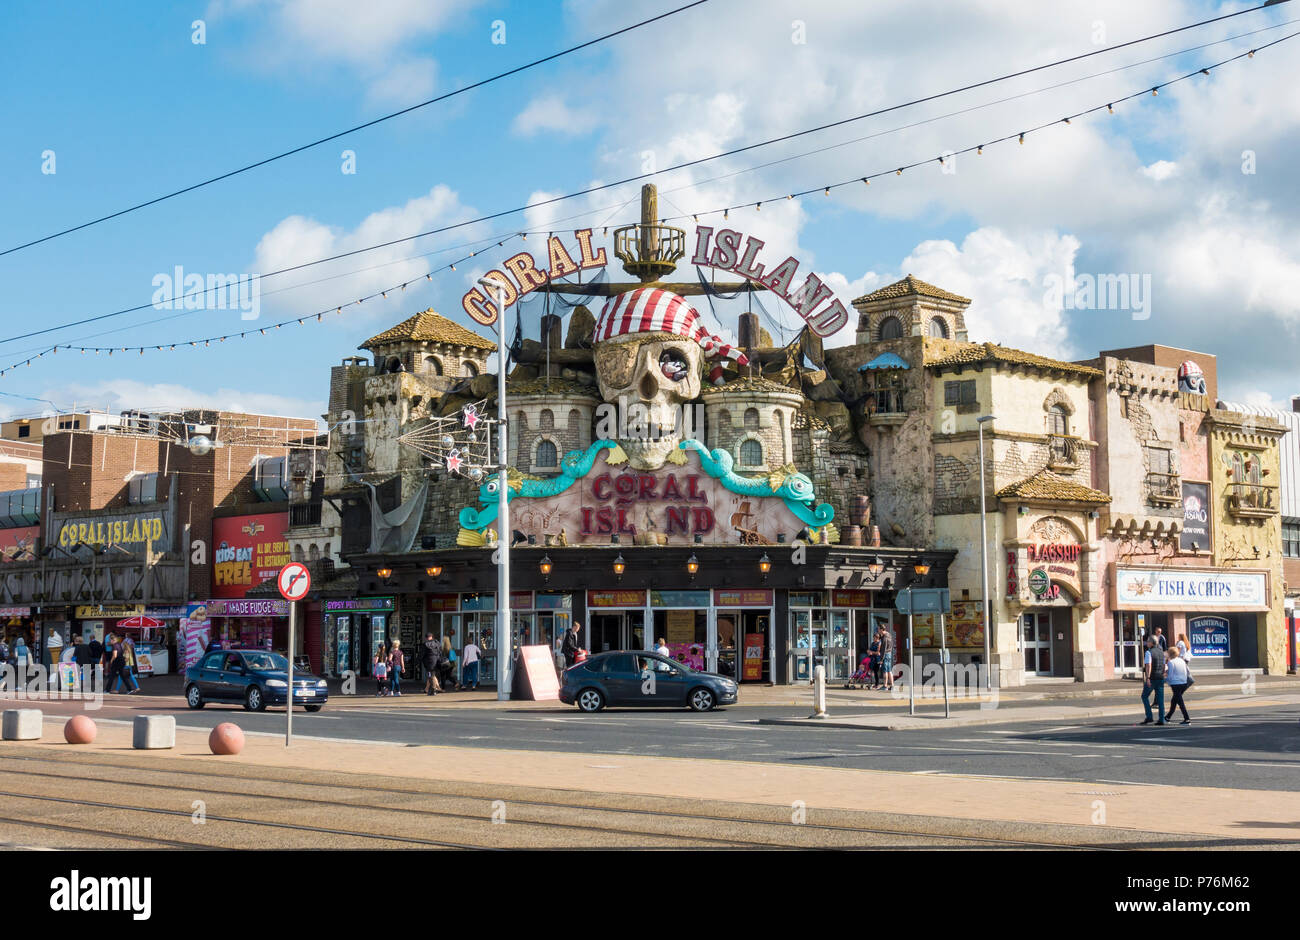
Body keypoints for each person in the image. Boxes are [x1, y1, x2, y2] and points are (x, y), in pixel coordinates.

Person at [1139, 635, 1167, 726]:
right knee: (1160, 699)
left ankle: (1149, 716)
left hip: (1152, 678)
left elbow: (1148, 666)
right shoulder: (1161, 652)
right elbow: (1163, 665)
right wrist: (1163, 673)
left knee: (1144, 696)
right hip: (1160, 677)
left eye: (1148, 641)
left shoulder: (1149, 652)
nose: (1147, 643)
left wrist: (1148, 677)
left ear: (1151, 642)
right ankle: (1162, 719)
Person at [1164, 647, 1192, 724]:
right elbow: (1187, 671)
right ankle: (1167, 717)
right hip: (1183, 683)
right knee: (1174, 701)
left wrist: (1165, 681)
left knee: (1180, 702)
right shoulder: (1182, 661)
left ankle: (1187, 719)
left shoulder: (1171, 662)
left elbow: (1170, 676)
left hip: (1175, 684)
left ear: (1170, 654)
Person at [879, 626, 895, 691]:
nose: (878, 630)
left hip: (885, 654)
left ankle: (885, 686)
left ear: (882, 629)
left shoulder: (884, 637)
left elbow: (883, 648)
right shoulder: (889, 635)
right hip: (889, 653)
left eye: (879, 629)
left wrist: (881, 659)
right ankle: (892, 685)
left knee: (885, 671)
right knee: (889, 670)